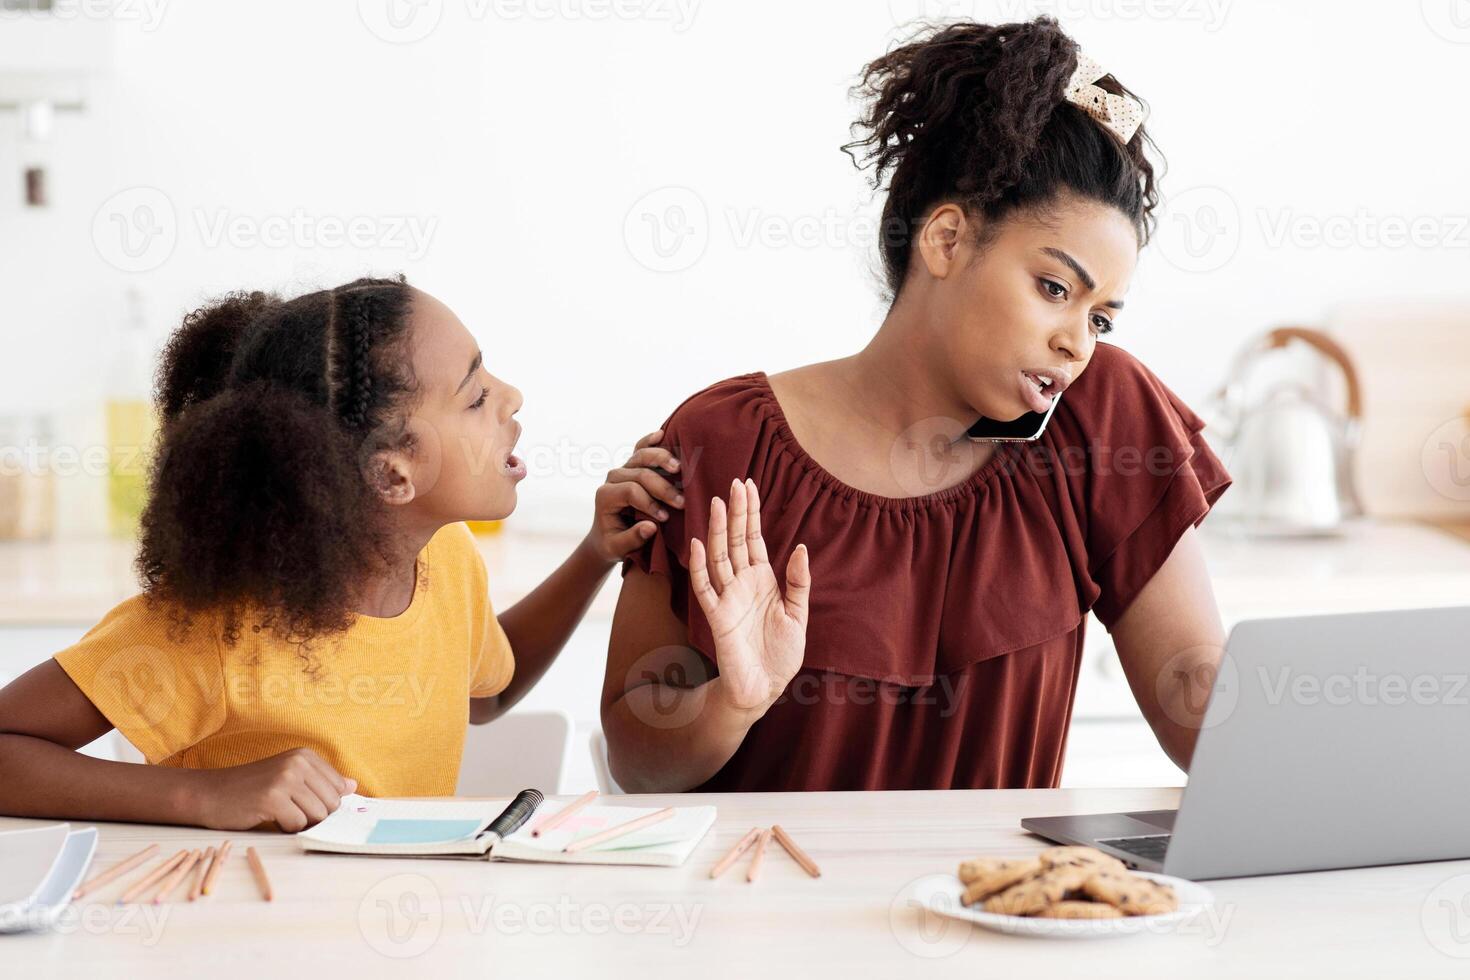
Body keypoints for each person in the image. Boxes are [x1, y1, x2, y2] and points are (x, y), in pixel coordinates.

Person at [603, 17, 1233, 793]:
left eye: (1101, 317)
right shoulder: (725, 443)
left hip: (1004, 911)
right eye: (1055, 289)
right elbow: (637, 760)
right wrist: (732, 701)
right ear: (944, 240)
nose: (1079, 343)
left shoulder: (1101, 416)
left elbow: (1205, 718)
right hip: (770, 909)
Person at [0, 276, 683, 830]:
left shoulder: (446, 563)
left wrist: (596, 552)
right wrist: (200, 796)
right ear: (391, 474)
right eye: (475, 397)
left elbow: (489, 689)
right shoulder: (212, 631)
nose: (510, 398)